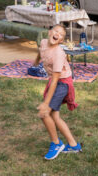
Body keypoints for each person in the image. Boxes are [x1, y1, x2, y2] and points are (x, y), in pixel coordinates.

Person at [33, 24, 82, 160]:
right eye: (56, 31)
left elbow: (55, 81)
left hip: (62, 83)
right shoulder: (43, 42)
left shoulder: (59, 53)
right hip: (56, 81)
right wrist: (36, 61)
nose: (57, 34)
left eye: (60, 35)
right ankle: (73, 145)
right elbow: (41, 50)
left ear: (61, 41)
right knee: (54, 116)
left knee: (45, 113)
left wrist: (45, 104)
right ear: (49, 32)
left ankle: (56, 143)